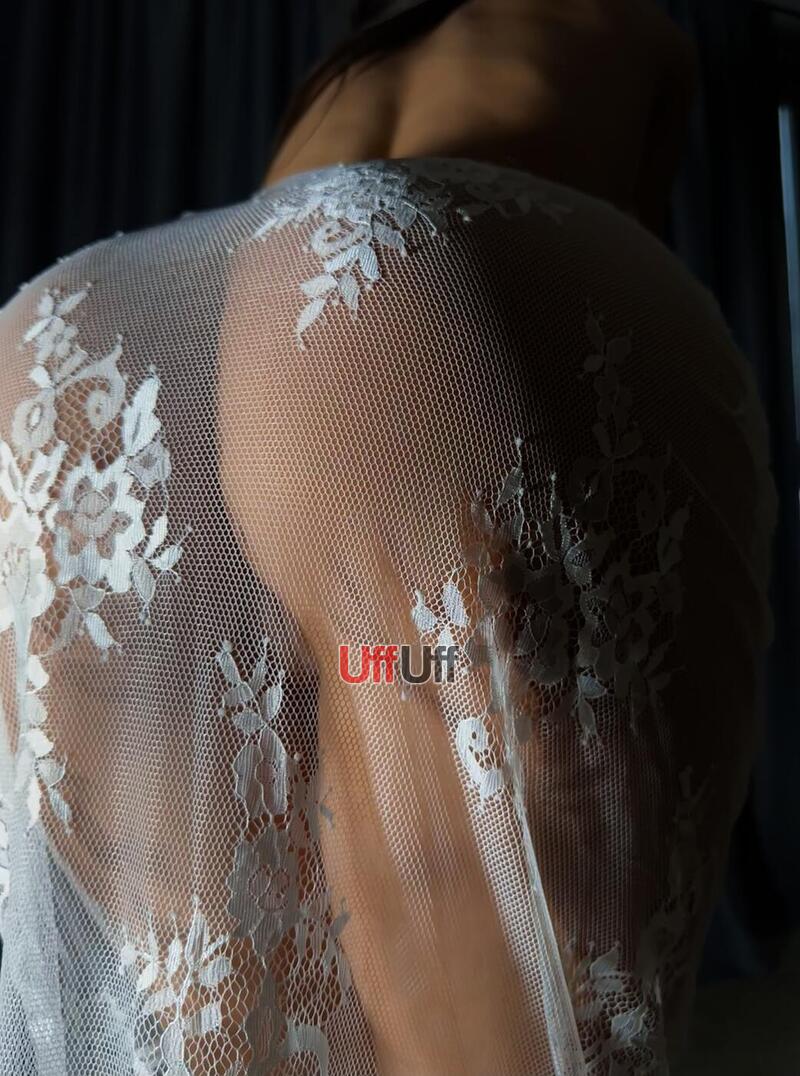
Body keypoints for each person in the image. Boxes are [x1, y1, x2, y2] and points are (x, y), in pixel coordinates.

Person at [0, 1, 777, 1074]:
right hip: (394, 298)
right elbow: (611, 257)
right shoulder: (631, 25)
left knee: (193, 918)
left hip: (101, 332)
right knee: (451, 853)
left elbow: (276, 261)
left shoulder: (349, 65)